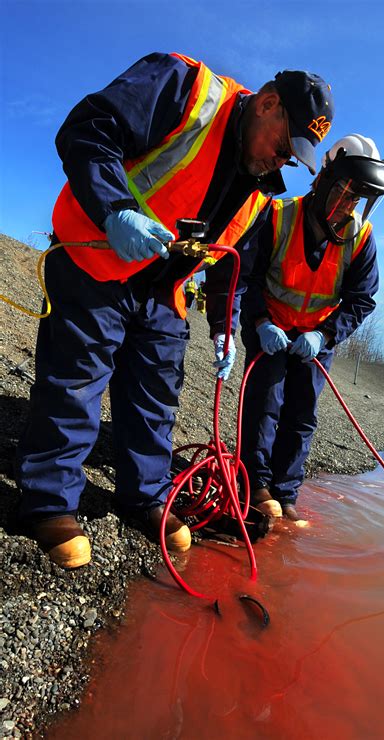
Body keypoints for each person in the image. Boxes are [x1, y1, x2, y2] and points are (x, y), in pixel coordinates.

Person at [15, 51, 334, 567]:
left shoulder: (258, 185)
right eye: (283, 146)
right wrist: (116, 210)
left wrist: (224, 329)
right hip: (98, 255)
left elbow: (231, 260)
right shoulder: (187, 89)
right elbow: (88, 129)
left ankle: (145, 497)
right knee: (76, 381)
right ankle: (49, 502)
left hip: (164, 291)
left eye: (292, 158)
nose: (283, 162)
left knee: (156, 396)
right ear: (268, 104)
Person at [239, 134, 384, 522]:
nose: (346, 206)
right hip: (270, 328)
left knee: (301, 415)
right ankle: (256, 487)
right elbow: (249, 277)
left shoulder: (361, 238)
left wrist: (324, 335)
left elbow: (361, 299)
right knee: (264, 407)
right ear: (323, 179)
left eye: (355, 199)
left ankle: (286, 494)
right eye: (342, 193)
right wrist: (260, 321)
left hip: (314, 340)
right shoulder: (277, 215)